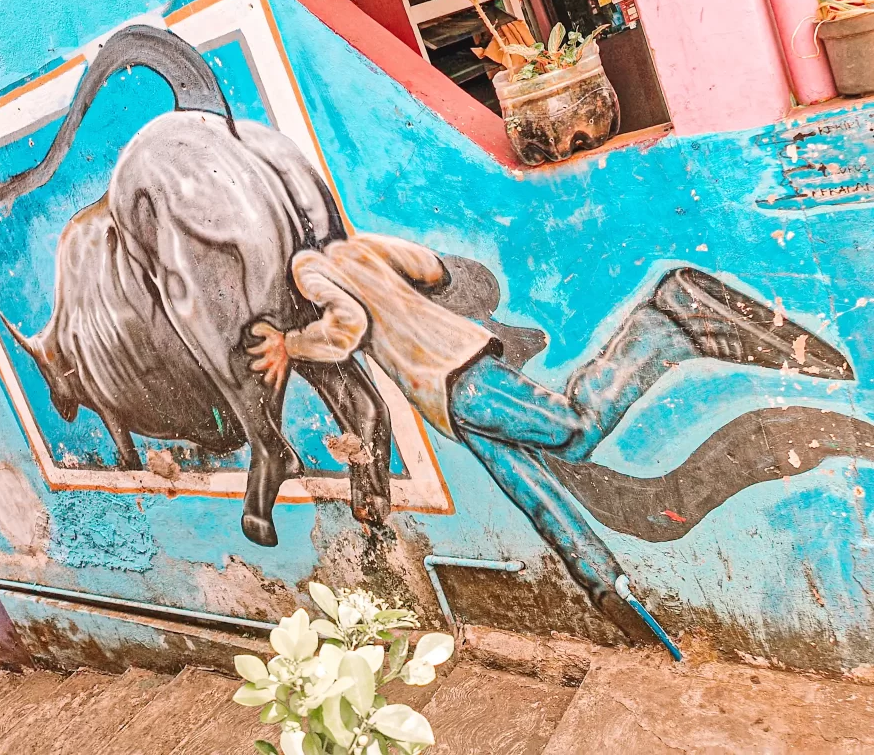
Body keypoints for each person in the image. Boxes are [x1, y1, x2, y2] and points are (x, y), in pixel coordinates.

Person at [247, 233, 853, 644]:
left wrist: (290, 343)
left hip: (460, 380)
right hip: (453, 397)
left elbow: (346, 326)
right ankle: (606, 585)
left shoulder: (308, 268)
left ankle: (667, 322)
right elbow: (431, 269)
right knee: (534, 492)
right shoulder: (360, 249)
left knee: (573, 431)